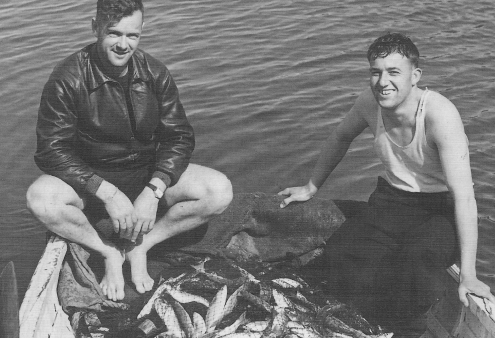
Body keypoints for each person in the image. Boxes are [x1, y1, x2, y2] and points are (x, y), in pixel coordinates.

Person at [279, 33, 495, 331]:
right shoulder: (369, 102)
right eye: (375, 72)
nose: (383, 82)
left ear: (415, 76)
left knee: (414, 261)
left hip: (441, 210)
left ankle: (404, 329)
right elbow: (340, 137)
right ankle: (356, 323)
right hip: (392, 200)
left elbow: (465, 198)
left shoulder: (440, 115)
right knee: (341, 253)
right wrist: (311, 186)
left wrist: (468, 274)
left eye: (394, 72)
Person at [26, 0, 232, 302]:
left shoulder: (155, 72)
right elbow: (50, 151)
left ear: (142, 31)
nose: (123, 45)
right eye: (114, 33)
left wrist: (154, 190)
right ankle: (108, 251)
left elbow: (179, 138)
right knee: (39, 199)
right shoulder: (66, 78)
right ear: (95, 27)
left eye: (132, 35)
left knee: (219, 191)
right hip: (89, 183)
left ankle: (142, 245)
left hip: (145, 175)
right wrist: (106, 192)